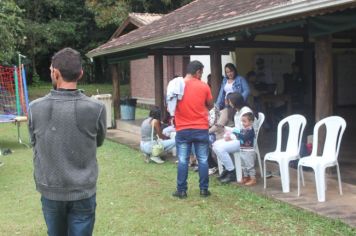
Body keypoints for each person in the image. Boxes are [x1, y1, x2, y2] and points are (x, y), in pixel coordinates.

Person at [28, 47, 107, 236]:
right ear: (80, 73)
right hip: (83, 191)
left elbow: (34, 142)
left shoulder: (34, 108)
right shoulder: (96, 108)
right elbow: (99, 140)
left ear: (55, 73)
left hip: (50, 190)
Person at [172, 60, 214, 199]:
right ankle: (203, 190)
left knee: (183, 160)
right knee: (203, 159)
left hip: (183, 129)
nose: (201, 75)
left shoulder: (176, 85)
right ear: (197, 72)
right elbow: (210, 104)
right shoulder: (204, 86)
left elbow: (170, 104)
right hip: (200, 128)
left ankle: (182, 190)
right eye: (201, 72)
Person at [212, 92, 254, 184]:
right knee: (215, 144)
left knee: (220, 147)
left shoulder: (245, 112)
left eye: (230, 101)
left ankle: (231, 172)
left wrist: (232, 135)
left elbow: (244, 131)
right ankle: (227, 169)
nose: (228, 103)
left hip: (244, 141)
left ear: (235, 101)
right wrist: (225, 129)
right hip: (238, 138)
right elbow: (237, 129)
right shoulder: (237, 112)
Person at [232, 112, 256, 186]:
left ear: (251, 122)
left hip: (249, 151)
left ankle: (253, 178)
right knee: (243, 165)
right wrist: (236, 133)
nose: (242, 123)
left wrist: (237, 134)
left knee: (249, 165)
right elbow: (239, 135)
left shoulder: (250, 131)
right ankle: (246, 177)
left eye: (244, 121)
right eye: (242, 121)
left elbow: (244, 137)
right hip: (242, 149)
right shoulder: (243, 129)